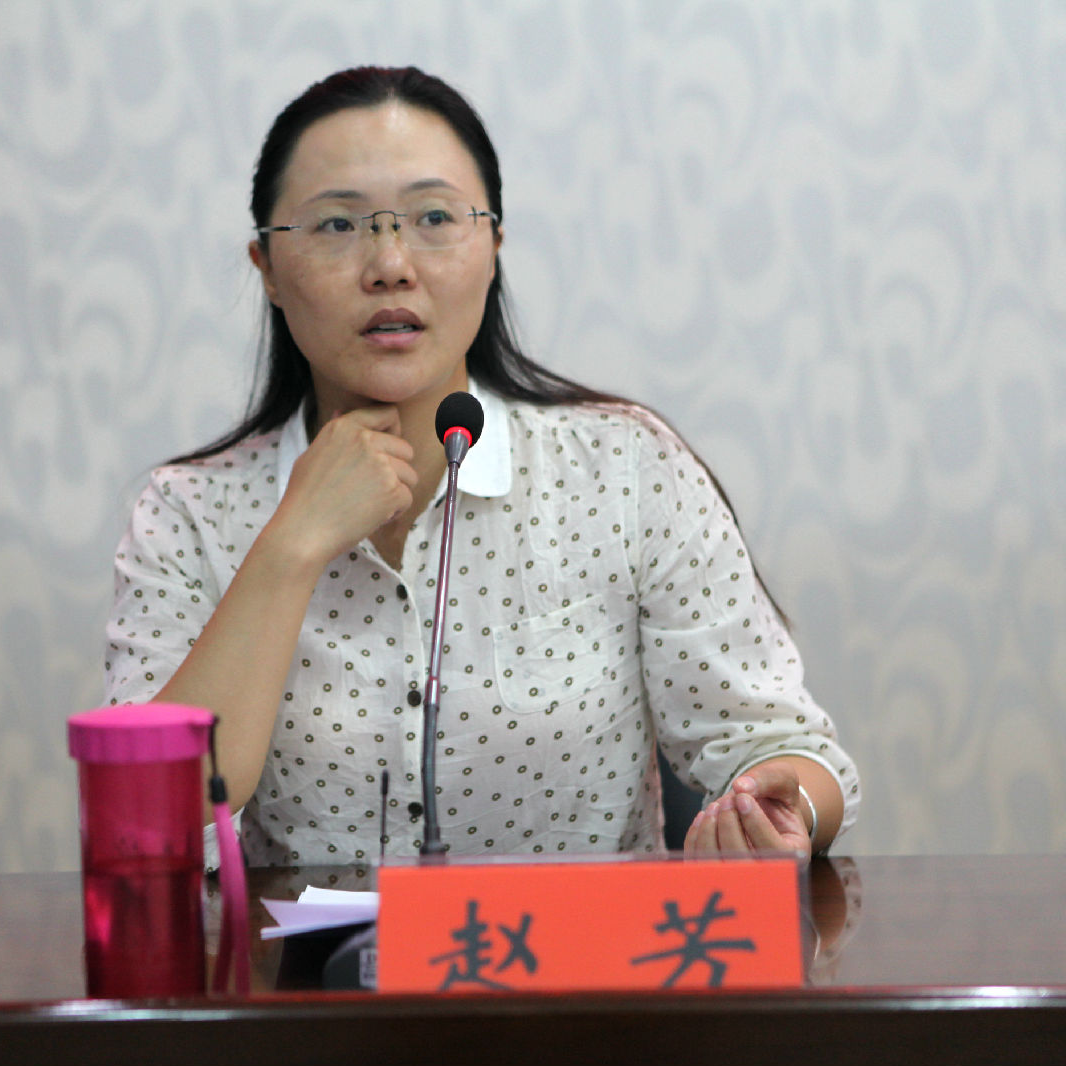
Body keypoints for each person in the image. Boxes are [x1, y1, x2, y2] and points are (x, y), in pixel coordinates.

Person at [104, 66, 858, 867]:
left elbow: (786, 749)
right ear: (267, 269)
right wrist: (290, 545)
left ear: (494, 247)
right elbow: (144, 833)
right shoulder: (188, 512)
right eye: (337, 225)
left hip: (577, 950)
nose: (390, 264)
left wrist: (784, 811)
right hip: (316, 955)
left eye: (434, 217)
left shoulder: (625, 470)